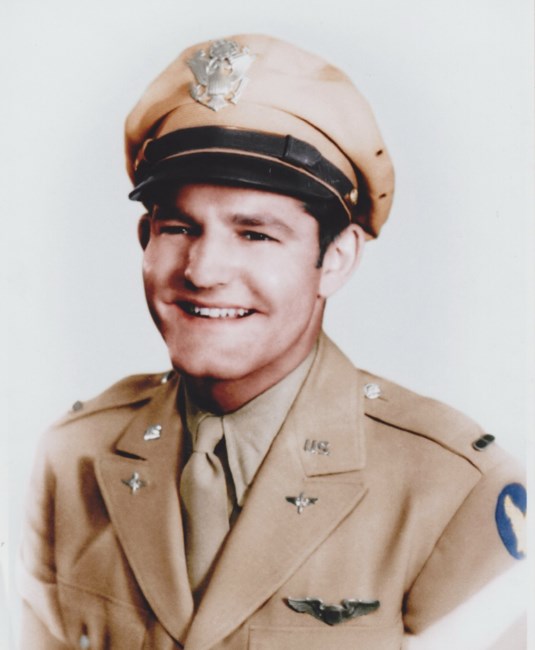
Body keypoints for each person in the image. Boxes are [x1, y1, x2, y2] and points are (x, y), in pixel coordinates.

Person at [18, 34, 526, 649]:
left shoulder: (453, 489)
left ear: (335, 258)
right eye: (179, 227)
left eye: (255, 234)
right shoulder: (70, 457)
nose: (203, 270)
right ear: (144, 239)